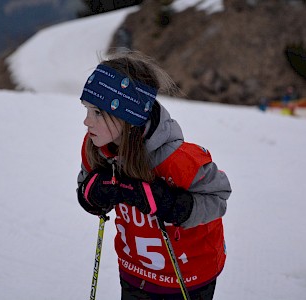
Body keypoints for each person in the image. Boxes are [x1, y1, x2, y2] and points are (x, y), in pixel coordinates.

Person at [77, 52, 232, 300]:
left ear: (127, 117)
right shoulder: (97, 148)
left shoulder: (178, 160)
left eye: (97, 112)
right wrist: (91, 193)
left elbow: (218, 198)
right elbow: (85, 186)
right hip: (134, 272)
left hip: (188, 276)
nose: (86, 121)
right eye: (86, 110)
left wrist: (173, 205)